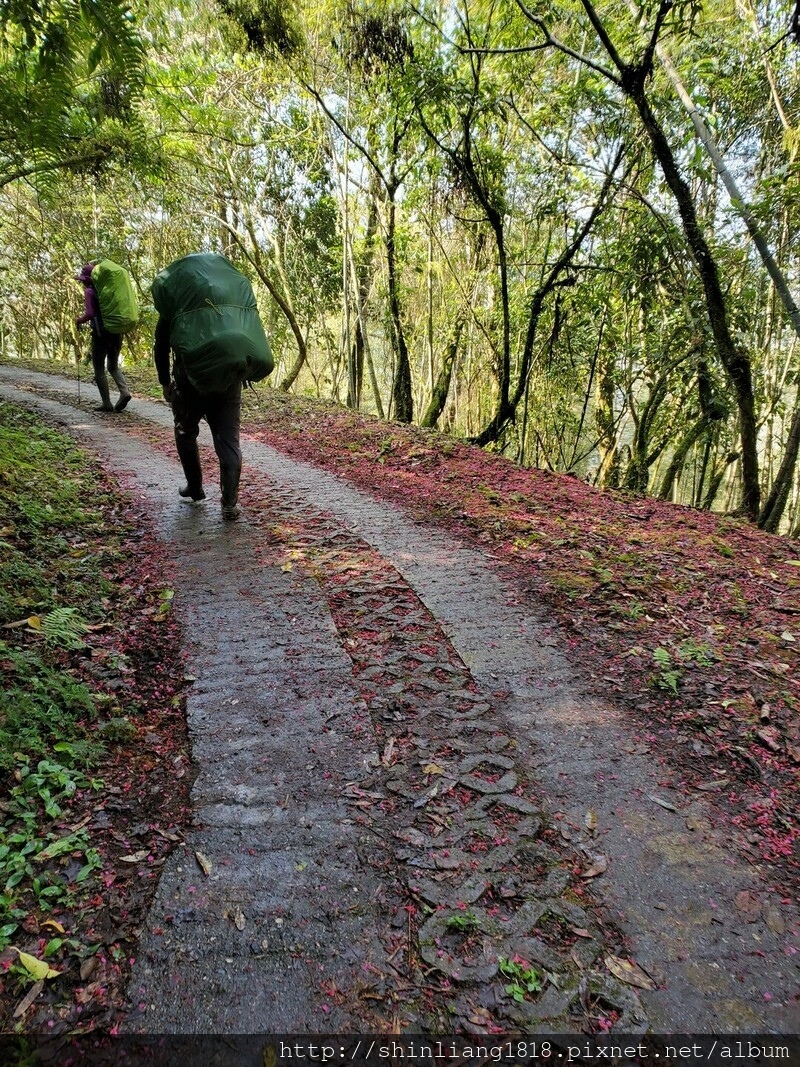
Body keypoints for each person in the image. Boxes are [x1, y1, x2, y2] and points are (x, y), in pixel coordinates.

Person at [153, 300, 244, 522]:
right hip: (228, 381)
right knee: (229, 442)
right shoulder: (227, 298)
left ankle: (194, 487)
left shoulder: (177, 299)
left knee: (185, 432)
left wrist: (165, 382)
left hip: (188, 382)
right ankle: (229, 503)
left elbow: (161, 343)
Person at [75, 263, 132, 413]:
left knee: (99, 368)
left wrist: (79, 320)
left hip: (100, 334)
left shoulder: (89, 291)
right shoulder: (108, 290)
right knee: (113, 366)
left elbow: (89, 314)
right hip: (116, 331)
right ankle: (124, 391)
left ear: (87, 280)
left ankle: (106, 403)